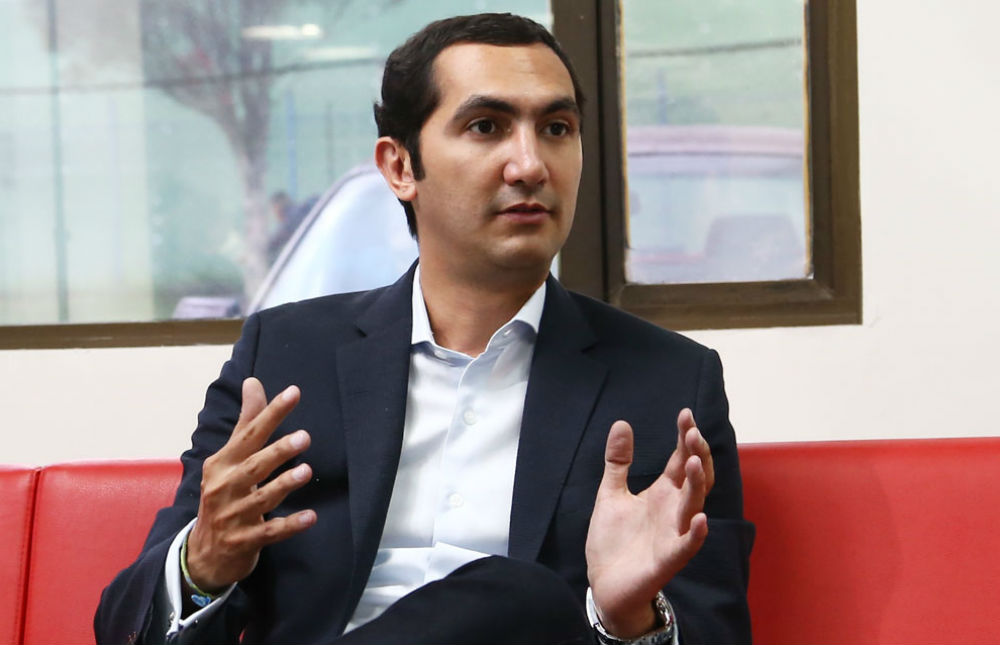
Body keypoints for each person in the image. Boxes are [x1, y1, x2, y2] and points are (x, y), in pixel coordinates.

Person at [95, 13, 753, 645]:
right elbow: (125, 624)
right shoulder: (286, 358)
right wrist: (202, 562)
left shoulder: (667, 382)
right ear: (400, 167)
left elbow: (714, 628)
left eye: (556, 128)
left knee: (521, 597)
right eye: (487, 126)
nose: (530, 165)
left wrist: (627, 618)